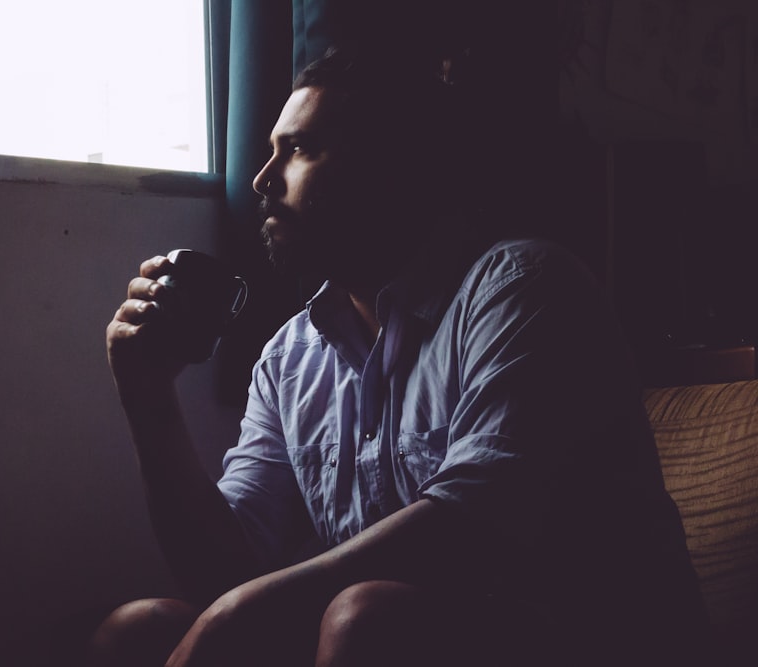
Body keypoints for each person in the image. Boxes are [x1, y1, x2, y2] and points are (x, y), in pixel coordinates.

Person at [93, 47, 710, 666]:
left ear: (390, 167)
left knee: (365, 619)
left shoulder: (523, 289)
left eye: (299, 149)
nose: (262, 178)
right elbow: (221, 570)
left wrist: (236, 613)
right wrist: (146, 396)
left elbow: (468, 533)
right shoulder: (288, 361)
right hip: (408, 635)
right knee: (139, 629)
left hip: (594, 638)